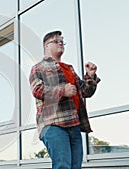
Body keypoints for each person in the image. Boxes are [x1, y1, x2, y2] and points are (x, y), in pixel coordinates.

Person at [29, 30, 100, 169]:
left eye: (62, 41)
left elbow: (85, 92)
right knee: (62, 166)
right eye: (56, 41)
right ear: (46, 46)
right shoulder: (38, 68)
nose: (61, 43)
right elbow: (37, 90)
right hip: (53, 125)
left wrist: (90, 76)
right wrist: (63, 91)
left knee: (75, 167)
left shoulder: (69, 69)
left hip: (73, 124)